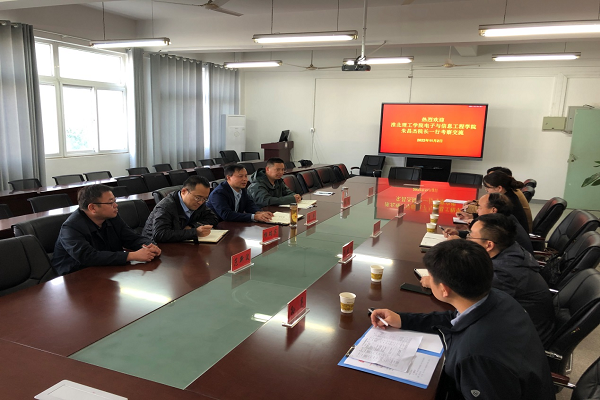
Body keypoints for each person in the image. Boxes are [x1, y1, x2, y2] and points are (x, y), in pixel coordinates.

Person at [371, 240, 555, 400]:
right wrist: (403, 320)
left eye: (431, 277)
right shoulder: (498, 298)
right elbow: (453, 317)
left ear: (444, 289)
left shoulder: (475, 355)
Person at [465, 213, 555, 343]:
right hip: (521, 322)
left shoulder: (503, 273)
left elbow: (470, 303)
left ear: (489, 245)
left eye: (471, 236)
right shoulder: (510, 249)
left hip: (523, 339)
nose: (467, 239)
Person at [52, 184, 161, 276]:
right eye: (110, 203)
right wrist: (132, 255)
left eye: (115, 201)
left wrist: (149, 245)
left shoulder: (112, 217)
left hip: (107, 269)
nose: (116, 205)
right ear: (92, 208)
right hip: (76, 276)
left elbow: (131, 238)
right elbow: (88, 257)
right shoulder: (71, 228)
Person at [444, 193, 533, 254]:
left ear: (493, 210)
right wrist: (458, 233)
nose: (477, 210)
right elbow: (481, 236)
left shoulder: (499, 226)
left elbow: (478, 249)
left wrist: (457, 243)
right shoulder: (505, 218)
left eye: (479, 207)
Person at [142, 175, 218, 243]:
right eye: (198, 197)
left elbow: (213, 218)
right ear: (184, 191)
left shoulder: (199, 203)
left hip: (180, 243)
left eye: (204, 198)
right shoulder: (166, 206)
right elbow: (159, 234)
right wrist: (194, 232)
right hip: (154, 247)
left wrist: (192, 226)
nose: (201, 202)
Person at [206, 164, 273, 222]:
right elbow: (227, 215)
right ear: (229, 177)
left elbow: (249, 205)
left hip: (233, 224)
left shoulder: (241, 189)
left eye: (246, 176)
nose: (245, 179)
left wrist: (260, 213)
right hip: (217, 226)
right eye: (240, 176)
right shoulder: (218, 193)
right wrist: (254, 217)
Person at [487, 166, 533, 231]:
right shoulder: (510, 192)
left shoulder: (507, 200)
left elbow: (489, 211)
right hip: (520, 230)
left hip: (515, 232)